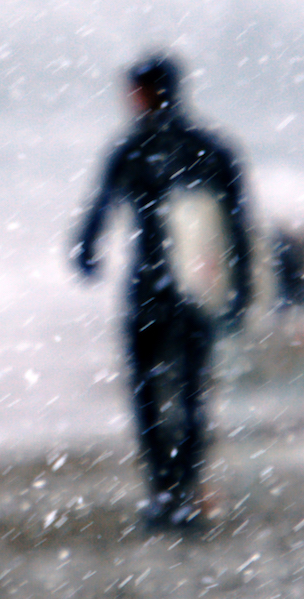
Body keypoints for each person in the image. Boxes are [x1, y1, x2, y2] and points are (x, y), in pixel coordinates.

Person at [72, 52, 252, 530]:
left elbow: (98, 212)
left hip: (148, 287)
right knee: (192, 392)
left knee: (147, 393)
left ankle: (161, 492)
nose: (128, 101)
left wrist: (86, 252)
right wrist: (240, 292)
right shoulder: (211, 148)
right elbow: (237, 229)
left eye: (133, 92)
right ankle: (188, 490)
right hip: (197, 287)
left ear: (145, 94)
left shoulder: (130, 148)